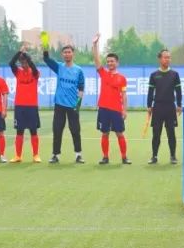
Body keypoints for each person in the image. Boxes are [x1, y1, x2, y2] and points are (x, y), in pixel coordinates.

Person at [42, 43, 85, 163]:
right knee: (57, 129)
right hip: (59, 104)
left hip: (73, 105)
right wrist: (45, 47)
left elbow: (81, 88)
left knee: (75, 130)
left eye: (69, 52)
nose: (67, 54)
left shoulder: (78, 70)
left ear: (73, 54)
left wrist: (78, 105)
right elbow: (46, 59)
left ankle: (78, 154)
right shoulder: (59, 67)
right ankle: (55, 155)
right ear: (62, 55)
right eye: (65, 52)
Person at [92, 33, 130, 164]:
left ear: (117, 63)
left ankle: (124, 157)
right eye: (108, 61)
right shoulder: (103, 73)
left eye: (112, 61)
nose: (109, 63)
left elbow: (124, 95)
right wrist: (95, 45)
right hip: (103, 109)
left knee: (119, 133)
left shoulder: (122, 78)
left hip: (116, 110)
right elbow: (96, 60)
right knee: (105, 133)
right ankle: (105, 157)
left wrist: (124, 110)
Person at [147, 49, 182, 164]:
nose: (168, 59)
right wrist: (149, 106)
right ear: (160, 59)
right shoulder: (154, 75)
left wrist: (179, 104)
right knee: (156, 134)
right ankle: (154, 156)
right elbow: (150, 92)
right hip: (157, 107)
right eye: (165, 57)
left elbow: (178, 91)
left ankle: (173, 156)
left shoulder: (174, 74)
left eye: (169, 57)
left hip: (170, 107)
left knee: (171, 133)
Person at [9, 43, 42, 162]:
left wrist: (26, 55)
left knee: (33, 131)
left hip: (32, 106)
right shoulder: (18, 72)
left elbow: (33, 67)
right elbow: (11, 63)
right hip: (19, 106)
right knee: (19, 131)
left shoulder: (35, 73)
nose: (24, 65)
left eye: (26, 62)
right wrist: (19, 52)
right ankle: (18, 156)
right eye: (22, 63)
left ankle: (36, 155)